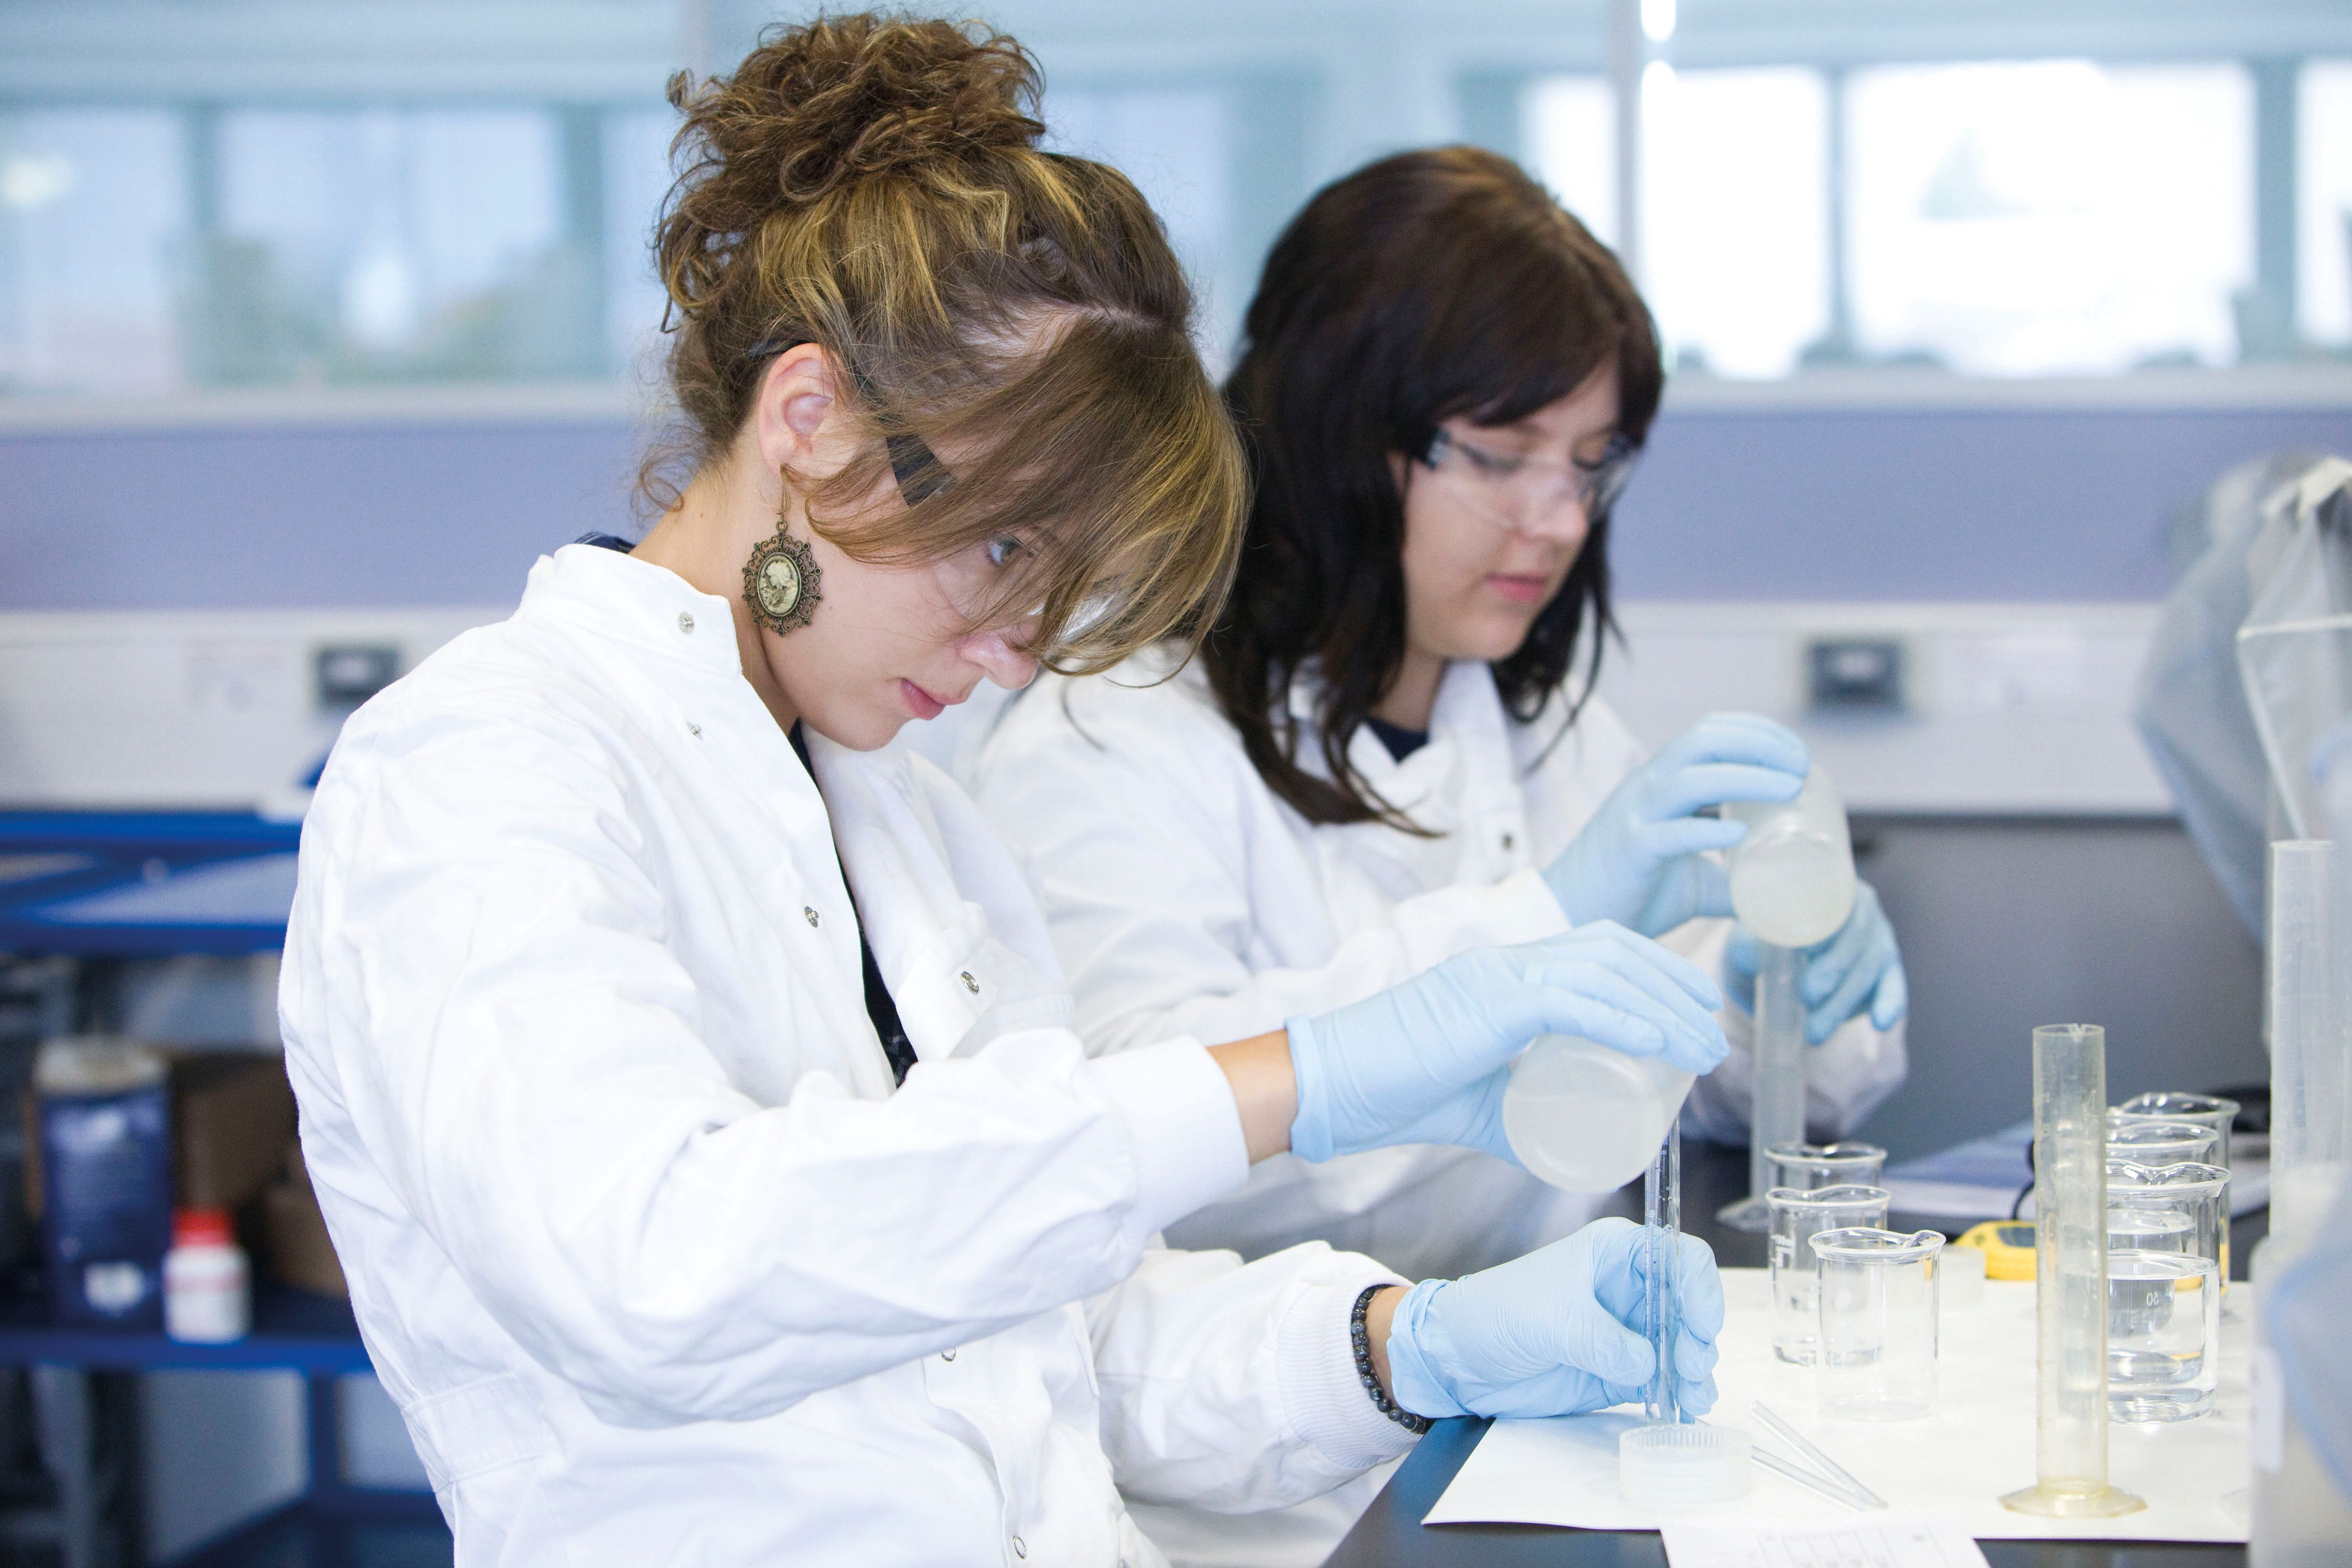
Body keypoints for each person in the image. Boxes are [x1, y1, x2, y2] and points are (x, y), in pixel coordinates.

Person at [277, 23, 1731, 1565]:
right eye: (1000, 550)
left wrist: (1398, 1345)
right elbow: (655, 1266)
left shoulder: (905, 816)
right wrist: (1280, 1081)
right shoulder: (478, 765)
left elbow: (1055, 1337)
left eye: (1064, 576)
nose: (1025, 642)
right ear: (811, 419)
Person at [967, 147, 1909, 1565]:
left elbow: (1699, 1075)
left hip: (1533, 1445)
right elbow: (1142, 1139)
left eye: (1592, 466)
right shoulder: (1114, 732)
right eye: (1503, 453)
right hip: (1266, 1490)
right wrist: (1542, 918)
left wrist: (1794, 992)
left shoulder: (1529, 717)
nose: (1559, 519)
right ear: (1344, 425)